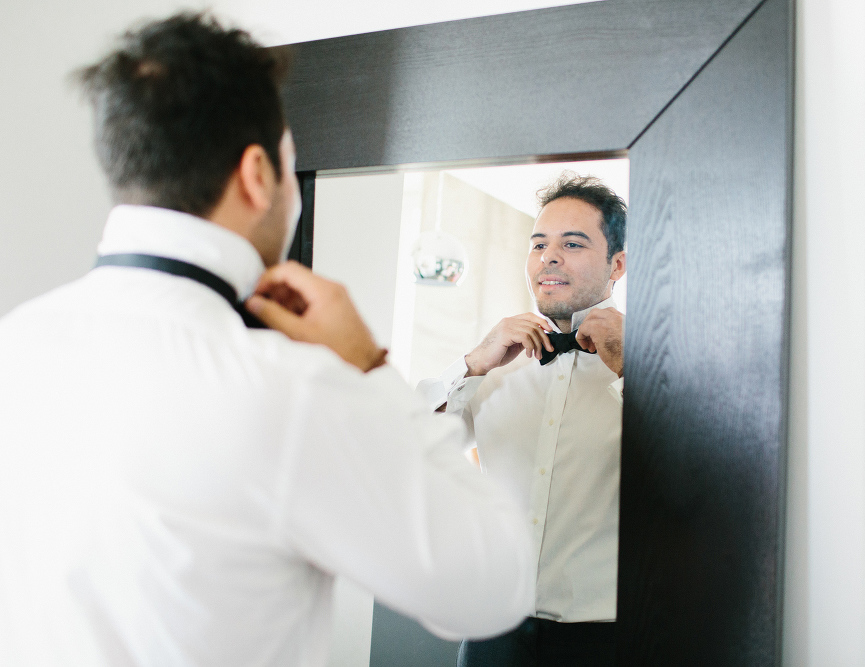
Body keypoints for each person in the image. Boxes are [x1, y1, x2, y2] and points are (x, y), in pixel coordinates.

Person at [0, 13, 533, 666]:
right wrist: (365, 365)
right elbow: (495, 582)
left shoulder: (15, 342)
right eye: (290, 164)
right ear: (257, 174)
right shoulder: (290, 387)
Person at [418, 174, 627, 666]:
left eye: (572, 244)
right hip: (493, 632)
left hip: (607, 641)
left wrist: (632, 366)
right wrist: (470, 364)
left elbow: (694, 474)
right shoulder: (492, 370)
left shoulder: (666, 371)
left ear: (617, 264)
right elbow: (407, 449)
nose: (549, 257)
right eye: (539, 245)